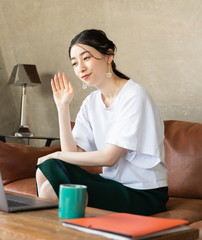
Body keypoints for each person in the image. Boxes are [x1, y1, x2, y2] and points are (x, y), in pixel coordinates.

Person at [36, 29, 168, 215]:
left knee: (52, 178)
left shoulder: (134, 95)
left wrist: (55, 155)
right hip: (114, 185)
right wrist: (63, 107)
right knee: (48, 169)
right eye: (74, 63)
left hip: (144, 194)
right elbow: (71, 155)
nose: (80, 67)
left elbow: (109, 158)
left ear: (109, 55)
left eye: (86, 58)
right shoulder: (91, 102)